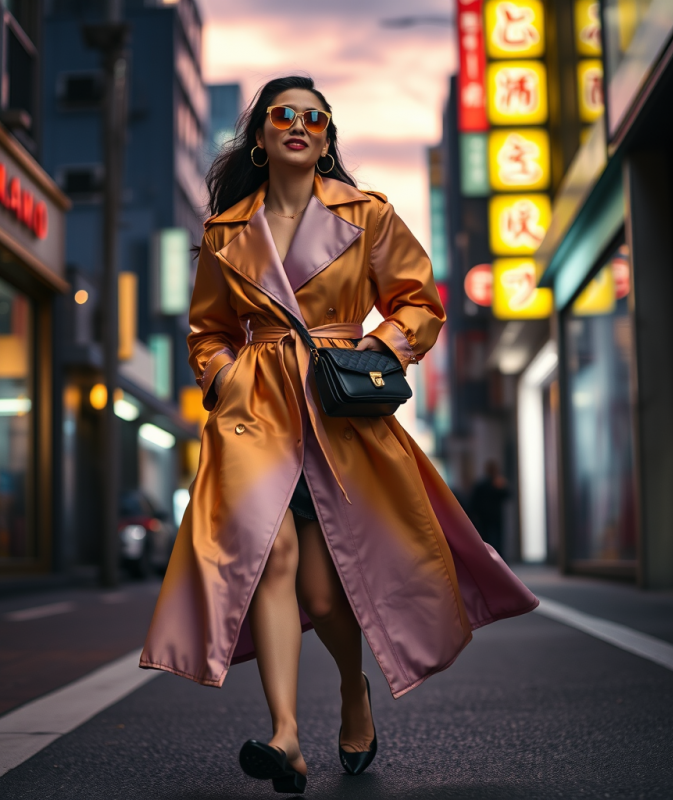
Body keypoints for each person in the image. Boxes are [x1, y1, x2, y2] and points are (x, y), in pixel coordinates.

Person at [139, 76, 539, 794]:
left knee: (323, 599)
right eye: (283, 114)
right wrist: (225, 376)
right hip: (255, 414)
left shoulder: (368, 214)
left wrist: (373, 353)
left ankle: (354, 692)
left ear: (326, 138)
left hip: (337, 410)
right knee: (272, 557)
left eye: (314, 117)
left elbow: (419, 302)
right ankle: (286, 736)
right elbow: (207, 332)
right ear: (260, 137)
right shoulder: (226, 232)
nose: (299, 124)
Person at [469, 460, 511, 560]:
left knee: (493, 540)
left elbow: (506, 495)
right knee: (492, 539)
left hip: (489, 517)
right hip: (489, 517)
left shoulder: (495, 483)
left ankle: (492, 559)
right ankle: (495, 559)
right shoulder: (486, 485)